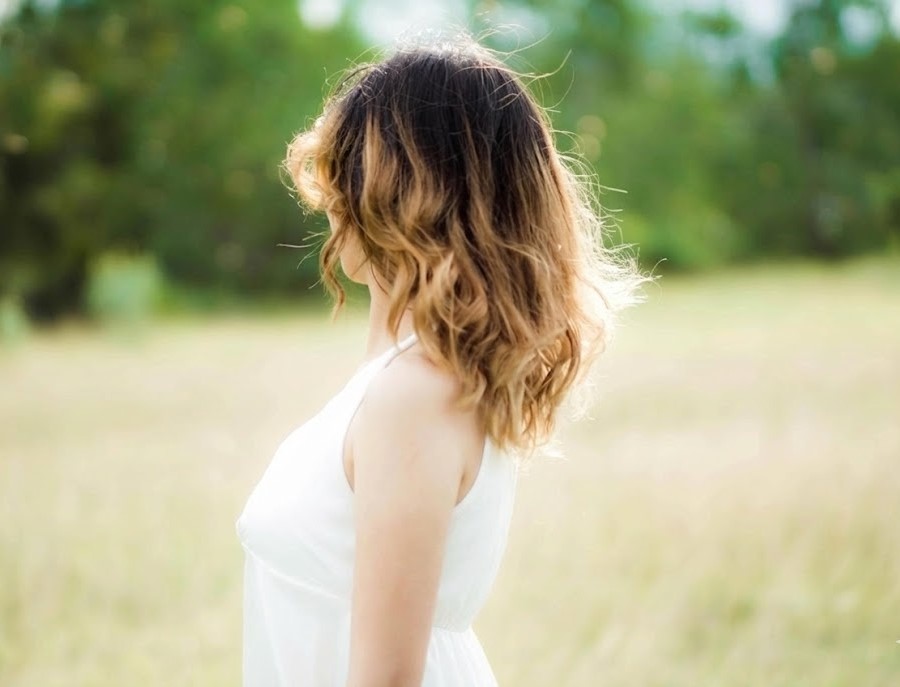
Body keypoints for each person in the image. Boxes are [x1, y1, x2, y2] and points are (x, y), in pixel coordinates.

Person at [236, 34, 643, 687]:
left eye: (357, 165)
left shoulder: (415, 394)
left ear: (415, 192)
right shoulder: (401, 378)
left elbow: (388, 678)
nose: (337, 189)